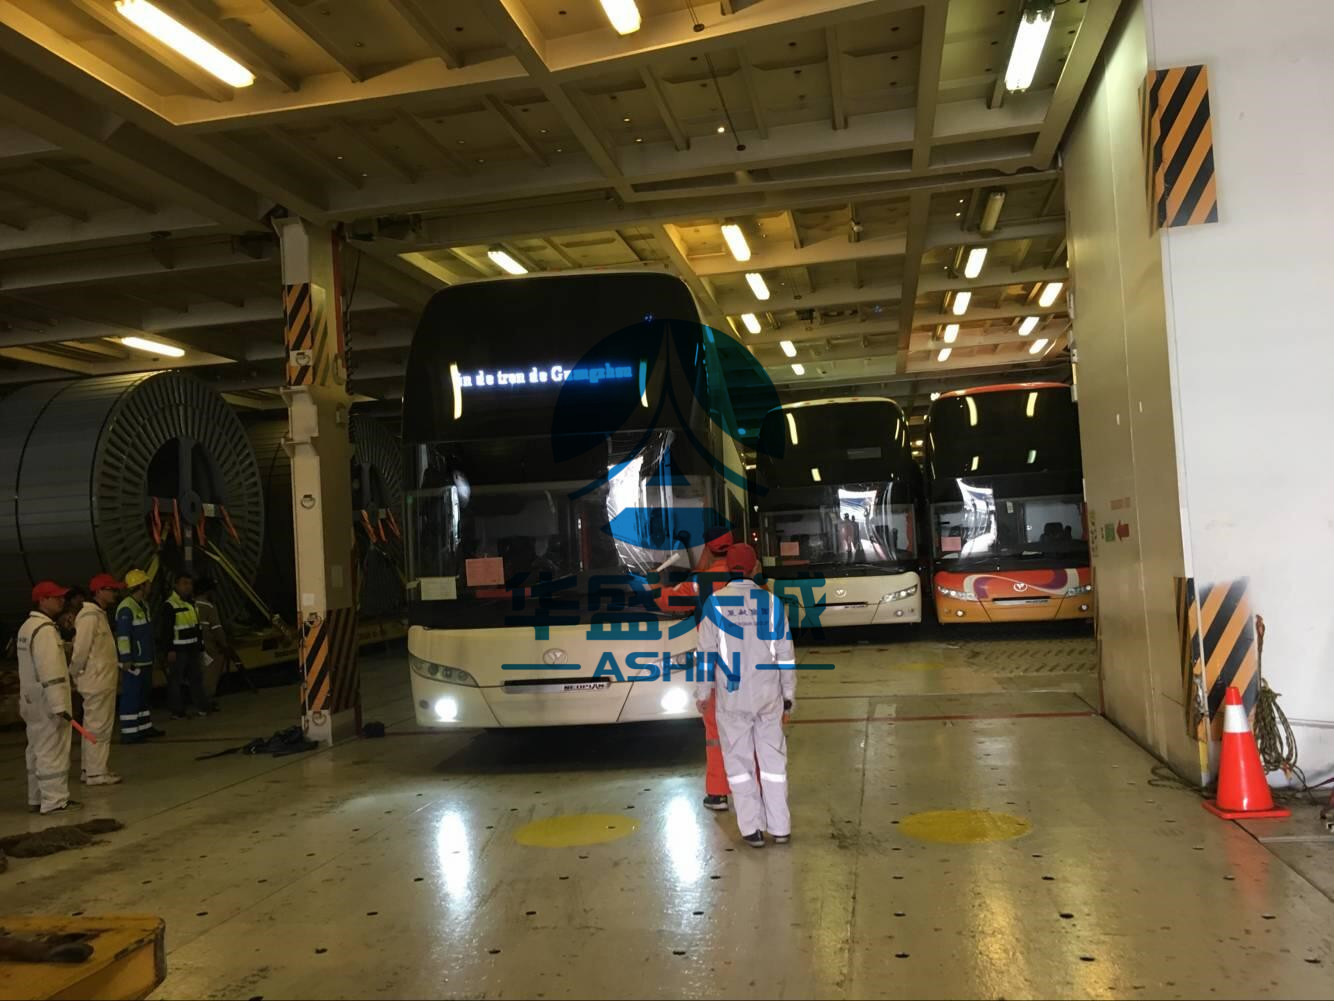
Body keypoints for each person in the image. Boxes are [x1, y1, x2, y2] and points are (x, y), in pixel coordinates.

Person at [694, 544, 795, 848]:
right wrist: (788, 695)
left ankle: (752, 829)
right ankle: (780, 827)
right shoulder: (772, 603)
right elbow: (785, 654)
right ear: (754, 568)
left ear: (728, 568)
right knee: (773, 762)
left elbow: (706, 655)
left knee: (739, 764)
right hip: (768, 696)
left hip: (732, 697)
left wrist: (703, 693)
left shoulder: (715, 603)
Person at [654, 525, 735, 812]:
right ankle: (754, 793)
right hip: (750, 666)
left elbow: (667, 601)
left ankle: (718, 794)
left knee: (715, 733)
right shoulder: (752, 580)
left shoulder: (701, 582)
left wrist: (652, 583)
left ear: (708, 549)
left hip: (714, 665)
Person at [17, 581, 78, 814]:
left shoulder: (27, 627)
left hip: (31, 699)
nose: (61, 601)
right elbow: (50, 670)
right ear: (42, 600)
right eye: (56, 597)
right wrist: (59, 704)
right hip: (47, 701)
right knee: (52, 749)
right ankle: (54, 800)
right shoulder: (44, 631)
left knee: (35, 749)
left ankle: (36, 798)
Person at [70, 573, 125, 785]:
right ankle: (96, 772)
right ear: (99, 591)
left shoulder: (98, 614)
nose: (115, 593)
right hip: (96, 681)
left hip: (101, 679)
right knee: (98, 727)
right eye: (111, 589)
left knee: (94, 726)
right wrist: (75, 673)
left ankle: (90, 769)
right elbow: (80, 651)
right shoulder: (89, 616)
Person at [115, 568, 164, 743]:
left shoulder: (143, 605)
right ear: (141, 585)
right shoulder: (126, 608)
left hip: (145, 659)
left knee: (143, 695)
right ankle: (129, 732)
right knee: (132, 695)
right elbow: (123, 636)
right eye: (147, 583)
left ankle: (144, 727)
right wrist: (126, 658)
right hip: (135, 662)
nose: (150, 585)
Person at [158, 572, 211, 719]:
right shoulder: (170, 605)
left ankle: (202, 707)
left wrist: (200, 647)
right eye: (184, 583)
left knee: (196, 679)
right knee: (176, 681)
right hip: (178, 650)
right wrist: (169, 650)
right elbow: (166, 630)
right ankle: (177, 711)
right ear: (176, 585)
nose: (188, 587)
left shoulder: (191, 604)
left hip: (192, 648)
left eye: (190, 583)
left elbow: (197, 627)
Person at [193, 577, 232, 706]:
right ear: (208, 592)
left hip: (193, 645)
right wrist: (224, 645)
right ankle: (207, 699)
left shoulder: (190, 605)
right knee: (211, 670)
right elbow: (217, 629)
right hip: (208, 647)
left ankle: (199, 698)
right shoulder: (209, 607)